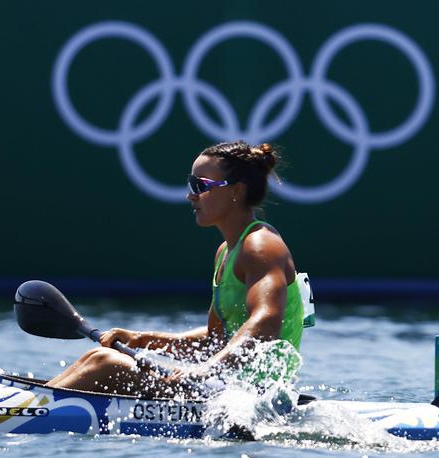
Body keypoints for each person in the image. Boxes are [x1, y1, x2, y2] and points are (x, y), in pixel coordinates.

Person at [46, 141, 304, 396]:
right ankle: (30, 402)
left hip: (254, 397)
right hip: (226, 388)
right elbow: (213, 341)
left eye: (200, 186)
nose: (190, 195)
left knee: (106, 363)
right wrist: (143, 339)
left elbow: (267, 321)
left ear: (235, 191)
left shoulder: (261, 245)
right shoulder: (226, 252)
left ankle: (23, 411)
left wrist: (208, 369)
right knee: (99, 355)